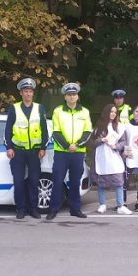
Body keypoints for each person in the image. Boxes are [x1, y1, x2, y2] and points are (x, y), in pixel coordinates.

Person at [5, 78, 48, 220]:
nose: (28, 94)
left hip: (35, 152)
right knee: (18, 182)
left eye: (30, 91)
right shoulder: (14, 108)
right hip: (17, 151)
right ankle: (21, 209)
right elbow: (7, 130)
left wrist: (43, 147)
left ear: (32, 93)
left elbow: (44, 129)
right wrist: (9, 147)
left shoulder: (39, 108)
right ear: (21, 93)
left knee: (34, 181)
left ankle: (33, 208)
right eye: (25, 91)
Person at [47, 82, 92, 220]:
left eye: (74, 94)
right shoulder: (58, 111)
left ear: (77, 96)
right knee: (58, 180)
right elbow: (56, 132)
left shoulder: (85, 112)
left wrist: (76, 145)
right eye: (69, 95)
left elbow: (87, 132)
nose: (72, 97)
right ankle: (53, 209)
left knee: (75, 182)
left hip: (78, 152)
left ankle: (75, 209)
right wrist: (67, 146)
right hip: (61, 152)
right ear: (65, 97)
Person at [91, 104, 131, 214]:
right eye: (111, 111)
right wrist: (101, 140)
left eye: (114, 112)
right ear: (106, 112)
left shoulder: (119, 127)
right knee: (101, 182)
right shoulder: (99, 126)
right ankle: (102, 204)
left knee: (118, 181)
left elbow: (123, 142)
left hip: (114, 157)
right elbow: (92, 142)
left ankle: (120, 206)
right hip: (102, 157)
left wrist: (116, 146)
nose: (113, 114)